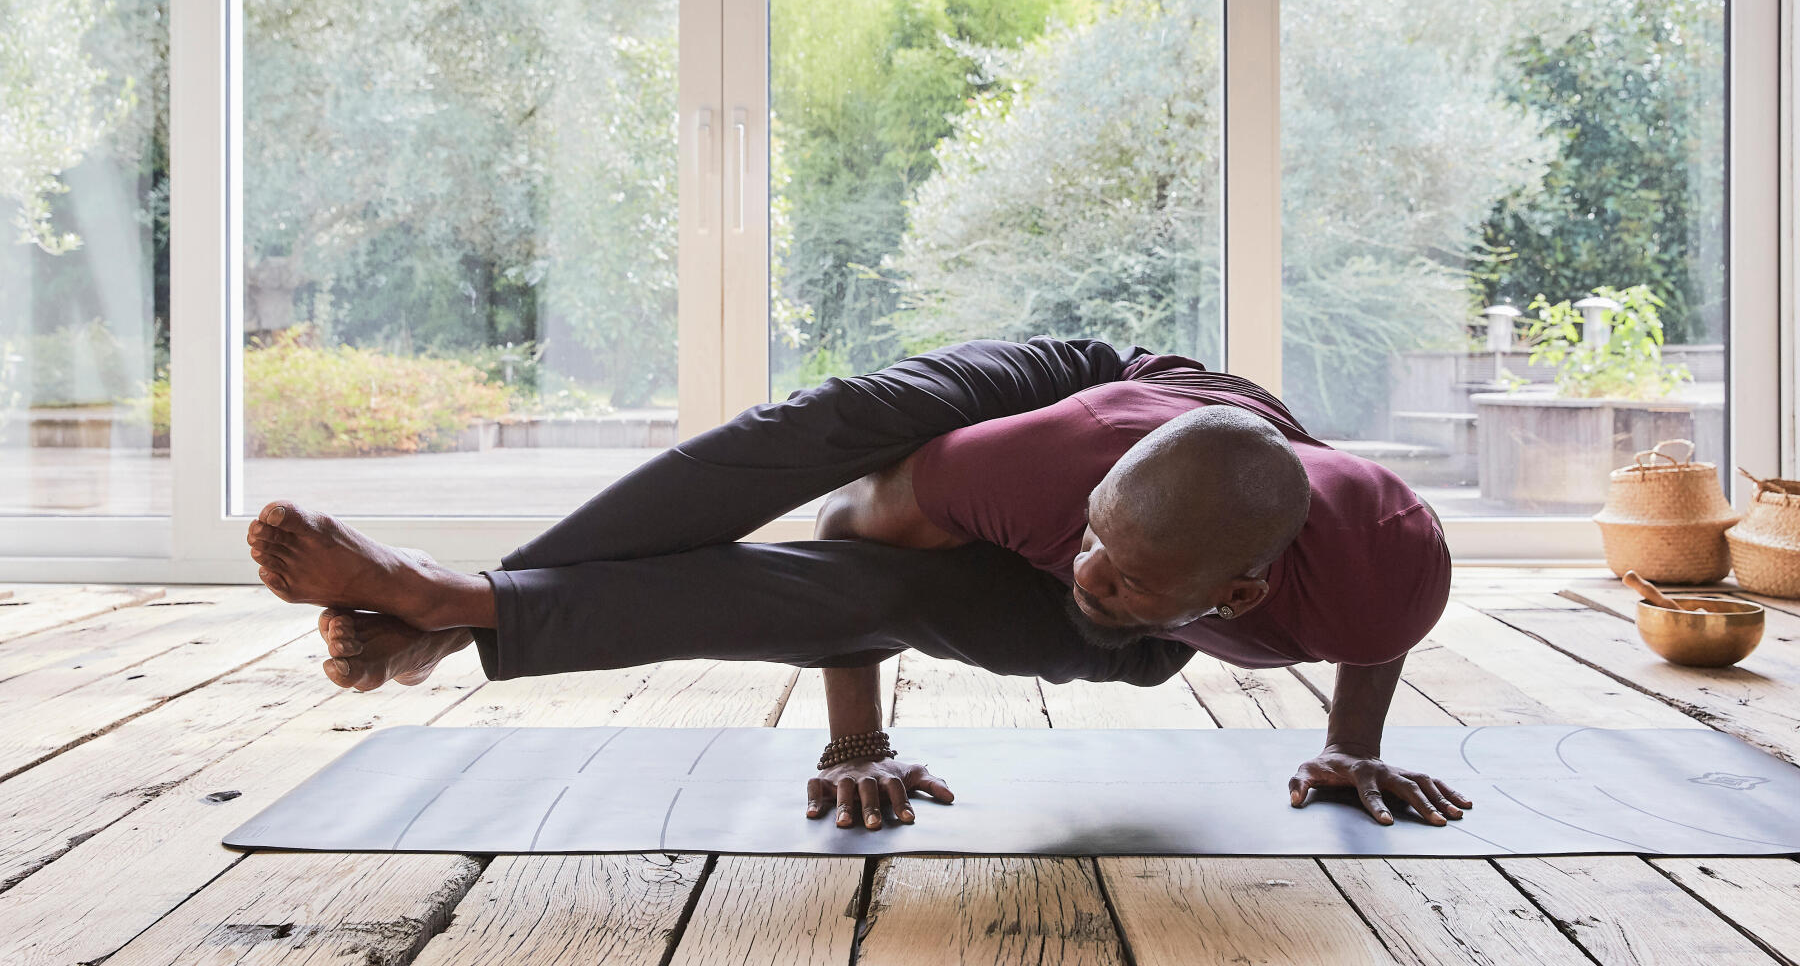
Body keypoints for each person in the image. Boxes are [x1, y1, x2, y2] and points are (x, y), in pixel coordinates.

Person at [244, 335, 1471, 834]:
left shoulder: (1389, 567)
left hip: (1162, 551)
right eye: (1090, 542)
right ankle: (458, 602)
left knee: (910, 596)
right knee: (828, 428)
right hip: (1077, 399)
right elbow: (851, 533)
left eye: (1127, 570)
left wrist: (1354, 749)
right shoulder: (1052, 477)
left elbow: (1369, 635)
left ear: (1240, 601)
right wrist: (856, 739)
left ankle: (462, 615)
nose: (1088, 569)